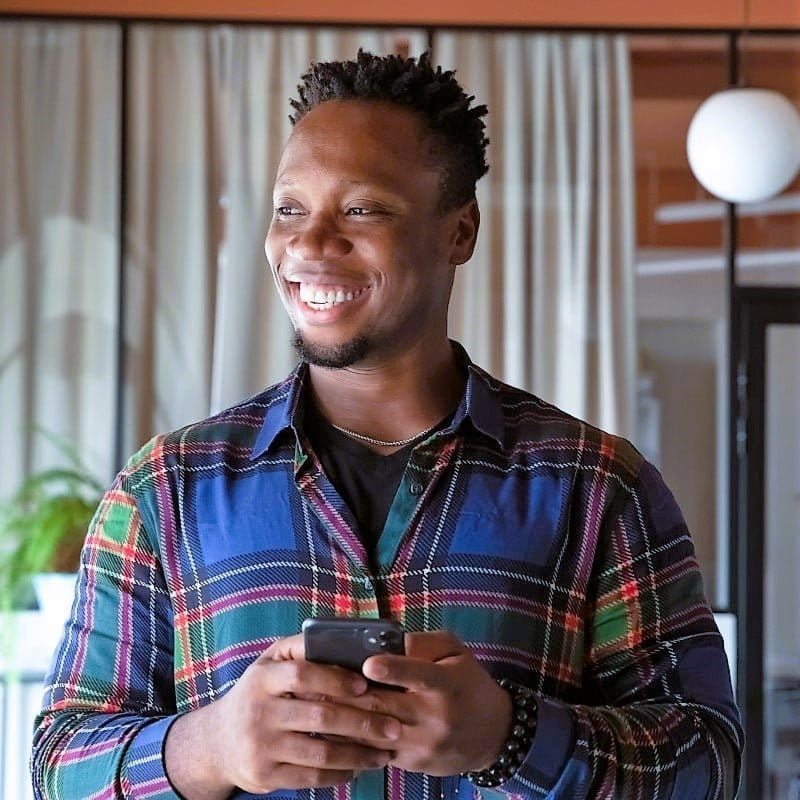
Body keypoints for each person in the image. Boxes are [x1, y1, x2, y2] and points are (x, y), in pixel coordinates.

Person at [31, 50, 742, 800]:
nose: (308, 244)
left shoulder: (599, 490)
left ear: (458, 233)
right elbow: (57, 764)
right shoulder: (164, 492)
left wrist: (510, 737)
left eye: (362, 208)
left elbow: (709, 763)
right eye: (289, 208)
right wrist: (207, 748)